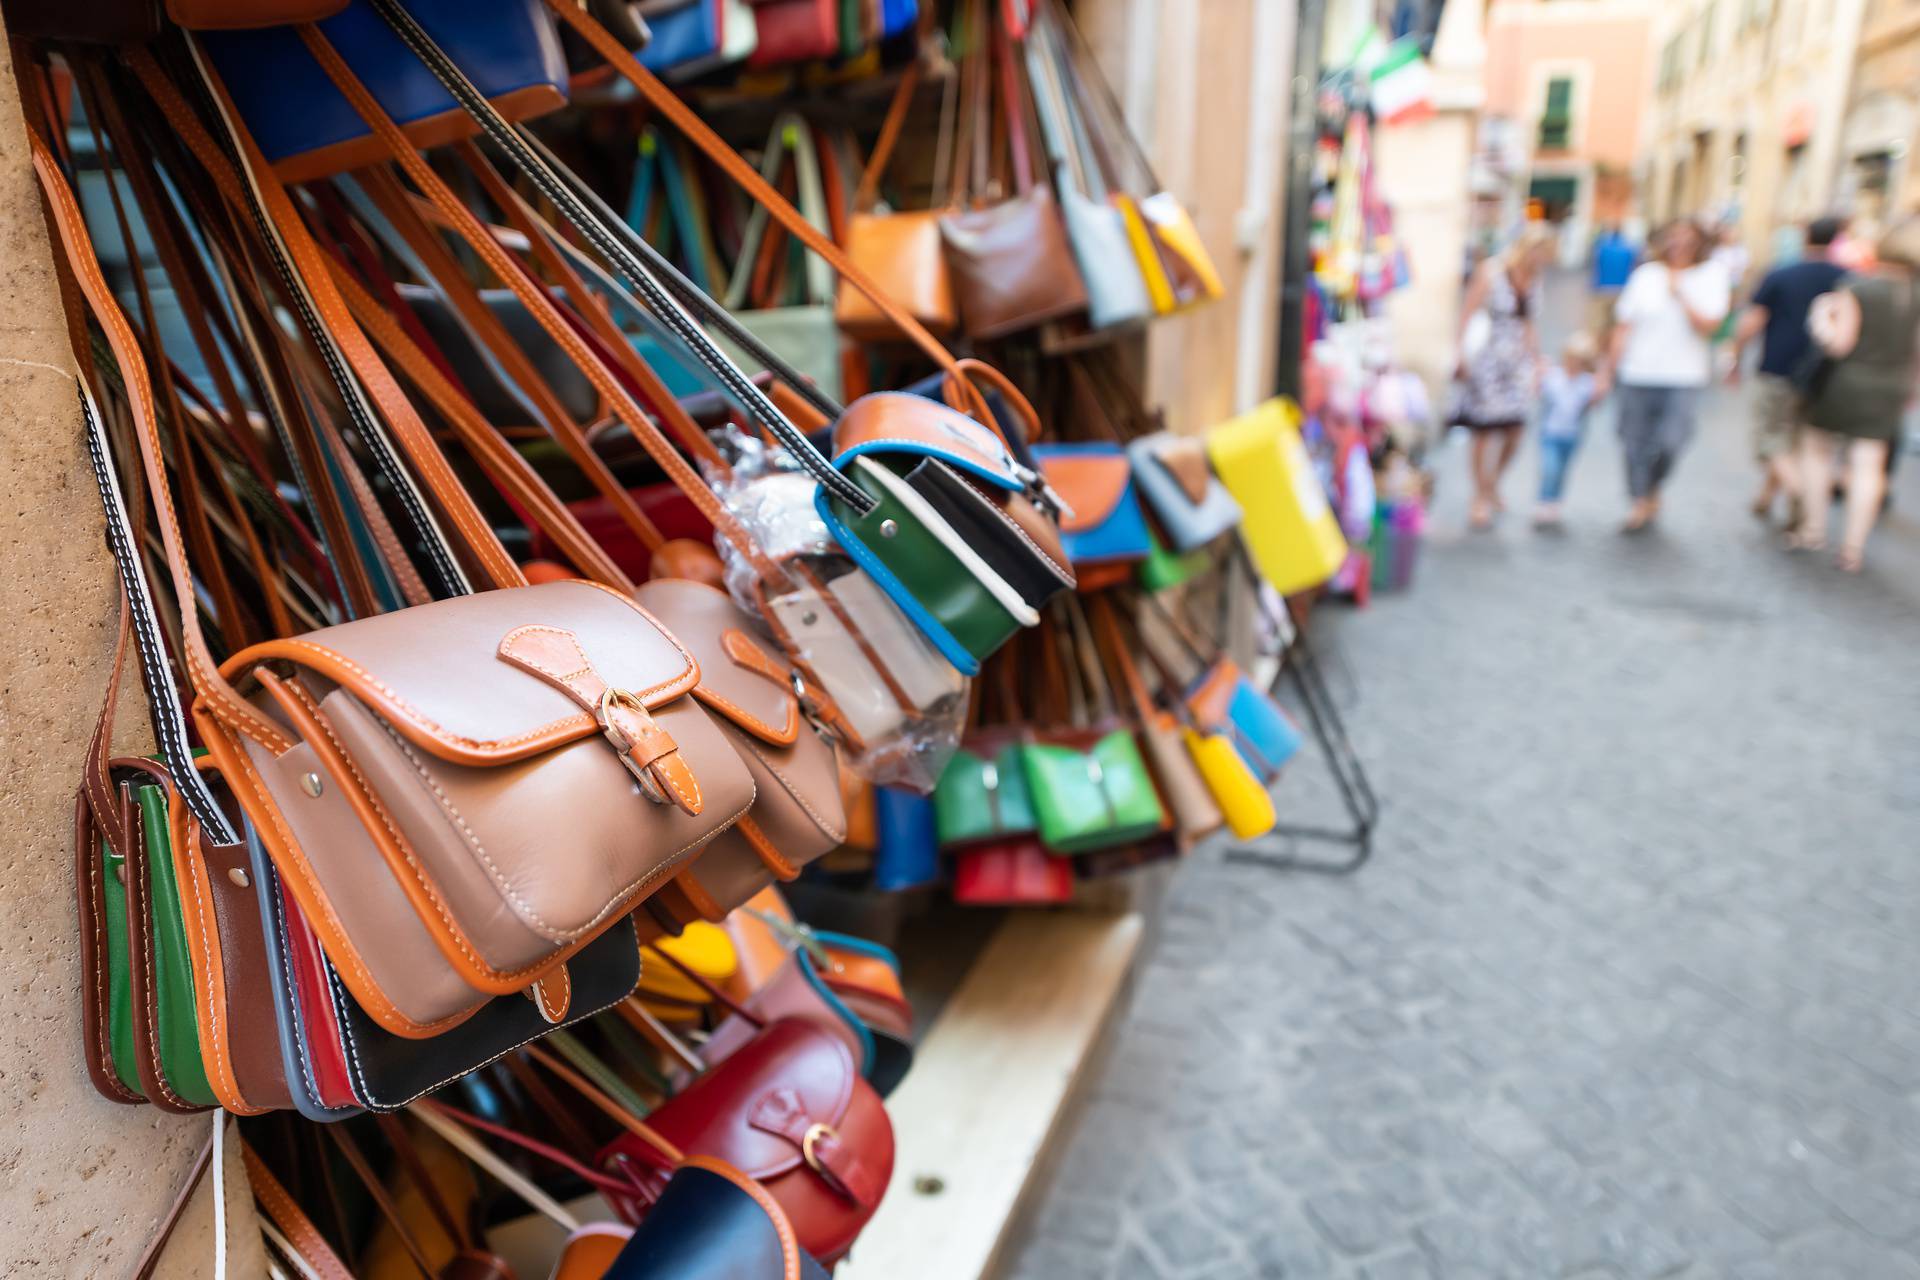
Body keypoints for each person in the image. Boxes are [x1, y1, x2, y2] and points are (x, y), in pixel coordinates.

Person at [1792, 215, 1920, 572]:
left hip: (1847, 381)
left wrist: (1820, 318)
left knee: (1817, 450)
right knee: (1870, 463)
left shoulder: (1858, 288)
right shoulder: (1915, 293)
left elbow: (1839, 345)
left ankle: (1813, 529)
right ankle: (1853, 548)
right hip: (1892, 384)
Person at [1603, 220, 1731, 532]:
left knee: (1672, 441)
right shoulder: (1646, 275)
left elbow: (1711, 327)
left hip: (1684, 375)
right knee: (1633, 441)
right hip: (1638, 371)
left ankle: (1652, 486)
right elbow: (1624, 326)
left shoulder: (1712, 275)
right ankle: (1639, 500)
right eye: (1674, 238)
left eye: (1688, 239)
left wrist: (1681, 295)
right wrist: (1607, 370)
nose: (1679, 245)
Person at [1728, 216, 1847, 526]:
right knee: (1794, 441)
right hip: (1827, 376)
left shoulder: (1782, 274)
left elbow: (1752, 320)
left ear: (1805, 237)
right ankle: (1767, 496)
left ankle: (1799, 493)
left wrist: (1735, 358)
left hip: (1779, 368)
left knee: (1770, 439)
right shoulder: (1850, 279)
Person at [1454, 223, 1556, 529]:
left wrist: (1537, 361)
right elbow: (1467, 312)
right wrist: (1459, 354)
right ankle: (1480, 495)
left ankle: (1492, 483)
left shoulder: (1535, 280)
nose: (1541, 257)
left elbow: (1529, 323)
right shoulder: (1492, 272)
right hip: (1488, 358)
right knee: (1484, 431)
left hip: (1517, 363)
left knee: (1515, 431)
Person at [1533, 332, 1600, 528]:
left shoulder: (1586, 382)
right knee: (1550, 467)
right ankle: (1544, 499)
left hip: (1572, 435)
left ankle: (1555, 500)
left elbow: (1593, 402)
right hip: (1551, 432)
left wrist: (1603, 376)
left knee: (1562, 469)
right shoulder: (1554, 376)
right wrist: (1539, 373)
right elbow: (1540, 391)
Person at [1590, 224, 1638, 339]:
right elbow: (1633, 266)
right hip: (1621, 289)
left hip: (1603, 288)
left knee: (1599, 323)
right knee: (1616, 324)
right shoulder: (1630, 248)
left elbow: (1596, 265)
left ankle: (1598, 347)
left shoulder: (1602, 246)